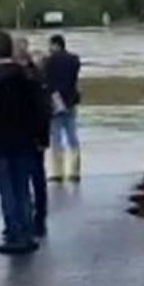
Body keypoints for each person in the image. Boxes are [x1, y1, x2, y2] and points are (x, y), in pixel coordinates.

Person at [0, 31, 48, 256]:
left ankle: (13, 232)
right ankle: (26, 232)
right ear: (10, 50)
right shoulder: (25, 77)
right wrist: (42, 137)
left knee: (6, 189)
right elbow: (39, 108)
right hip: (23, 140)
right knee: (22, 187)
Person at [13, 37, 52, 237]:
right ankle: (28, 218)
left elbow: (43, 109)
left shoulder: (33, 76)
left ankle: (37, 219)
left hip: (31, 136)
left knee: (34, 178)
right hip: (25, 135)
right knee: (26, 179)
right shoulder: (33, 75)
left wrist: (43, 137)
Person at [43, 34, 82, 182]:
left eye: (50, 45)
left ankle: (58, 173)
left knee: (56, 138)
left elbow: (46, 81)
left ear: (56, 45)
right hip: (70, 101)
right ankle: (75, 171)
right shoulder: (74, 60)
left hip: (54, 102)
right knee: (72, 136)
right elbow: (74, 80)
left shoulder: (48, 61)